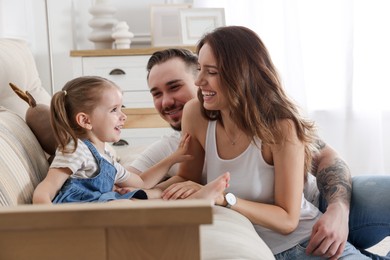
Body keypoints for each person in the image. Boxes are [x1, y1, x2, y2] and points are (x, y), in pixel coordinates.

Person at [129, 32, 389, 259]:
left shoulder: (281, 125)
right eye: (157, 93)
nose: (199, 82)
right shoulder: (195, 114)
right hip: (282, 242)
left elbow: (292, 214)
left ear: (240, 73)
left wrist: (338, 209)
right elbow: (184, 180)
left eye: (210, 72)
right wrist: (131, 196)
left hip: (308, 235)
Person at [32, 76, 194, 204]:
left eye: (121, 108)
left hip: (101, 210)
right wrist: (52, 221)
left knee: (138, 201)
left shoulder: (106, 158)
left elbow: (142, 182)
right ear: (85, 120)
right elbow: (45, 190)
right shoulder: (76, 149)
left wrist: (174, 158)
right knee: (124, 204)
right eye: (114, 110)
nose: (123, 116)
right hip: (76, 215)